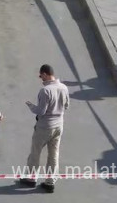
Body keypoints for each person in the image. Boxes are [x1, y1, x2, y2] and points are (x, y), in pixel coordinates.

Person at [19, 64, 69, 193]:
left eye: (41, 76)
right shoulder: (64, 87)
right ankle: (50, 182)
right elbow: (66, 106)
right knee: (53, 155)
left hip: (44, 127)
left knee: (35, 153)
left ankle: (31, 178)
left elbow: (41, 112)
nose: (41, 78)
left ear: (46, 74)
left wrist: (31, 106)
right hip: (59, 126)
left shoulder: (45, 91)